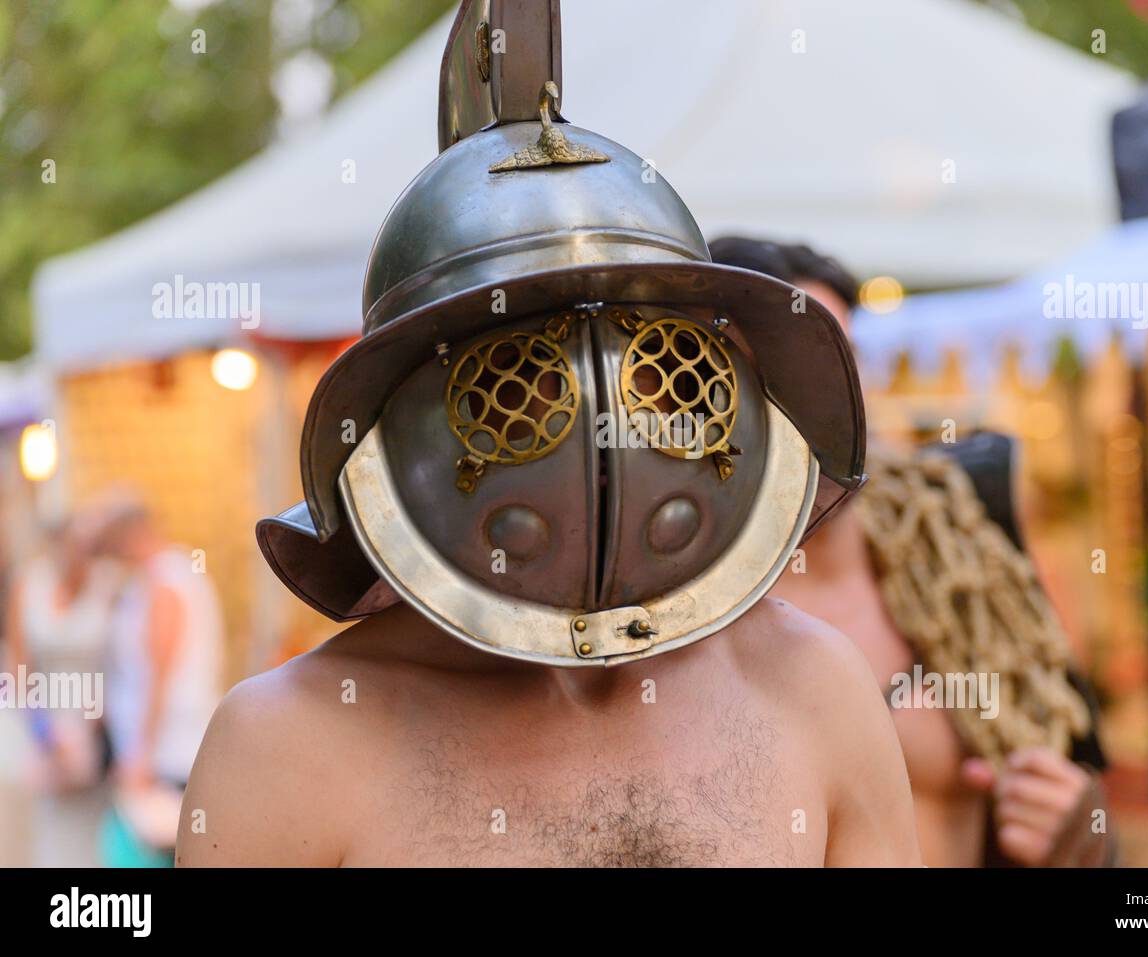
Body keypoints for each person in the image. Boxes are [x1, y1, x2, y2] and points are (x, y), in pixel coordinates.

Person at [178, 0, 920, 868]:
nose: (595, 408)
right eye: (516, 371)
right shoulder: (291, 743)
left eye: (650, 359)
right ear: (412, 405)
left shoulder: (811, 686)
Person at [709, 236, 1113, 868]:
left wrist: (1083, 834)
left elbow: (1077, 775)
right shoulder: (679, 610)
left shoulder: (956, 545)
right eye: (778, 366)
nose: (819, 393)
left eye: (837, 357)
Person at [97, 499, 223, 866]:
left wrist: (141, 754)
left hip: (169, 752)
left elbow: (158, 676)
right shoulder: (178, 573)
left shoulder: (165, 583)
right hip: (172, 748)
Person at [3, 515, 121, 867]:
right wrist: (42, 730)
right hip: (42, 717)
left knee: (91, 836)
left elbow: (123, 663)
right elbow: (18, 666)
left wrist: (96, 725)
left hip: (97, 724)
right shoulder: (30, 584)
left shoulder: (110, 584)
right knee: (45, 833)